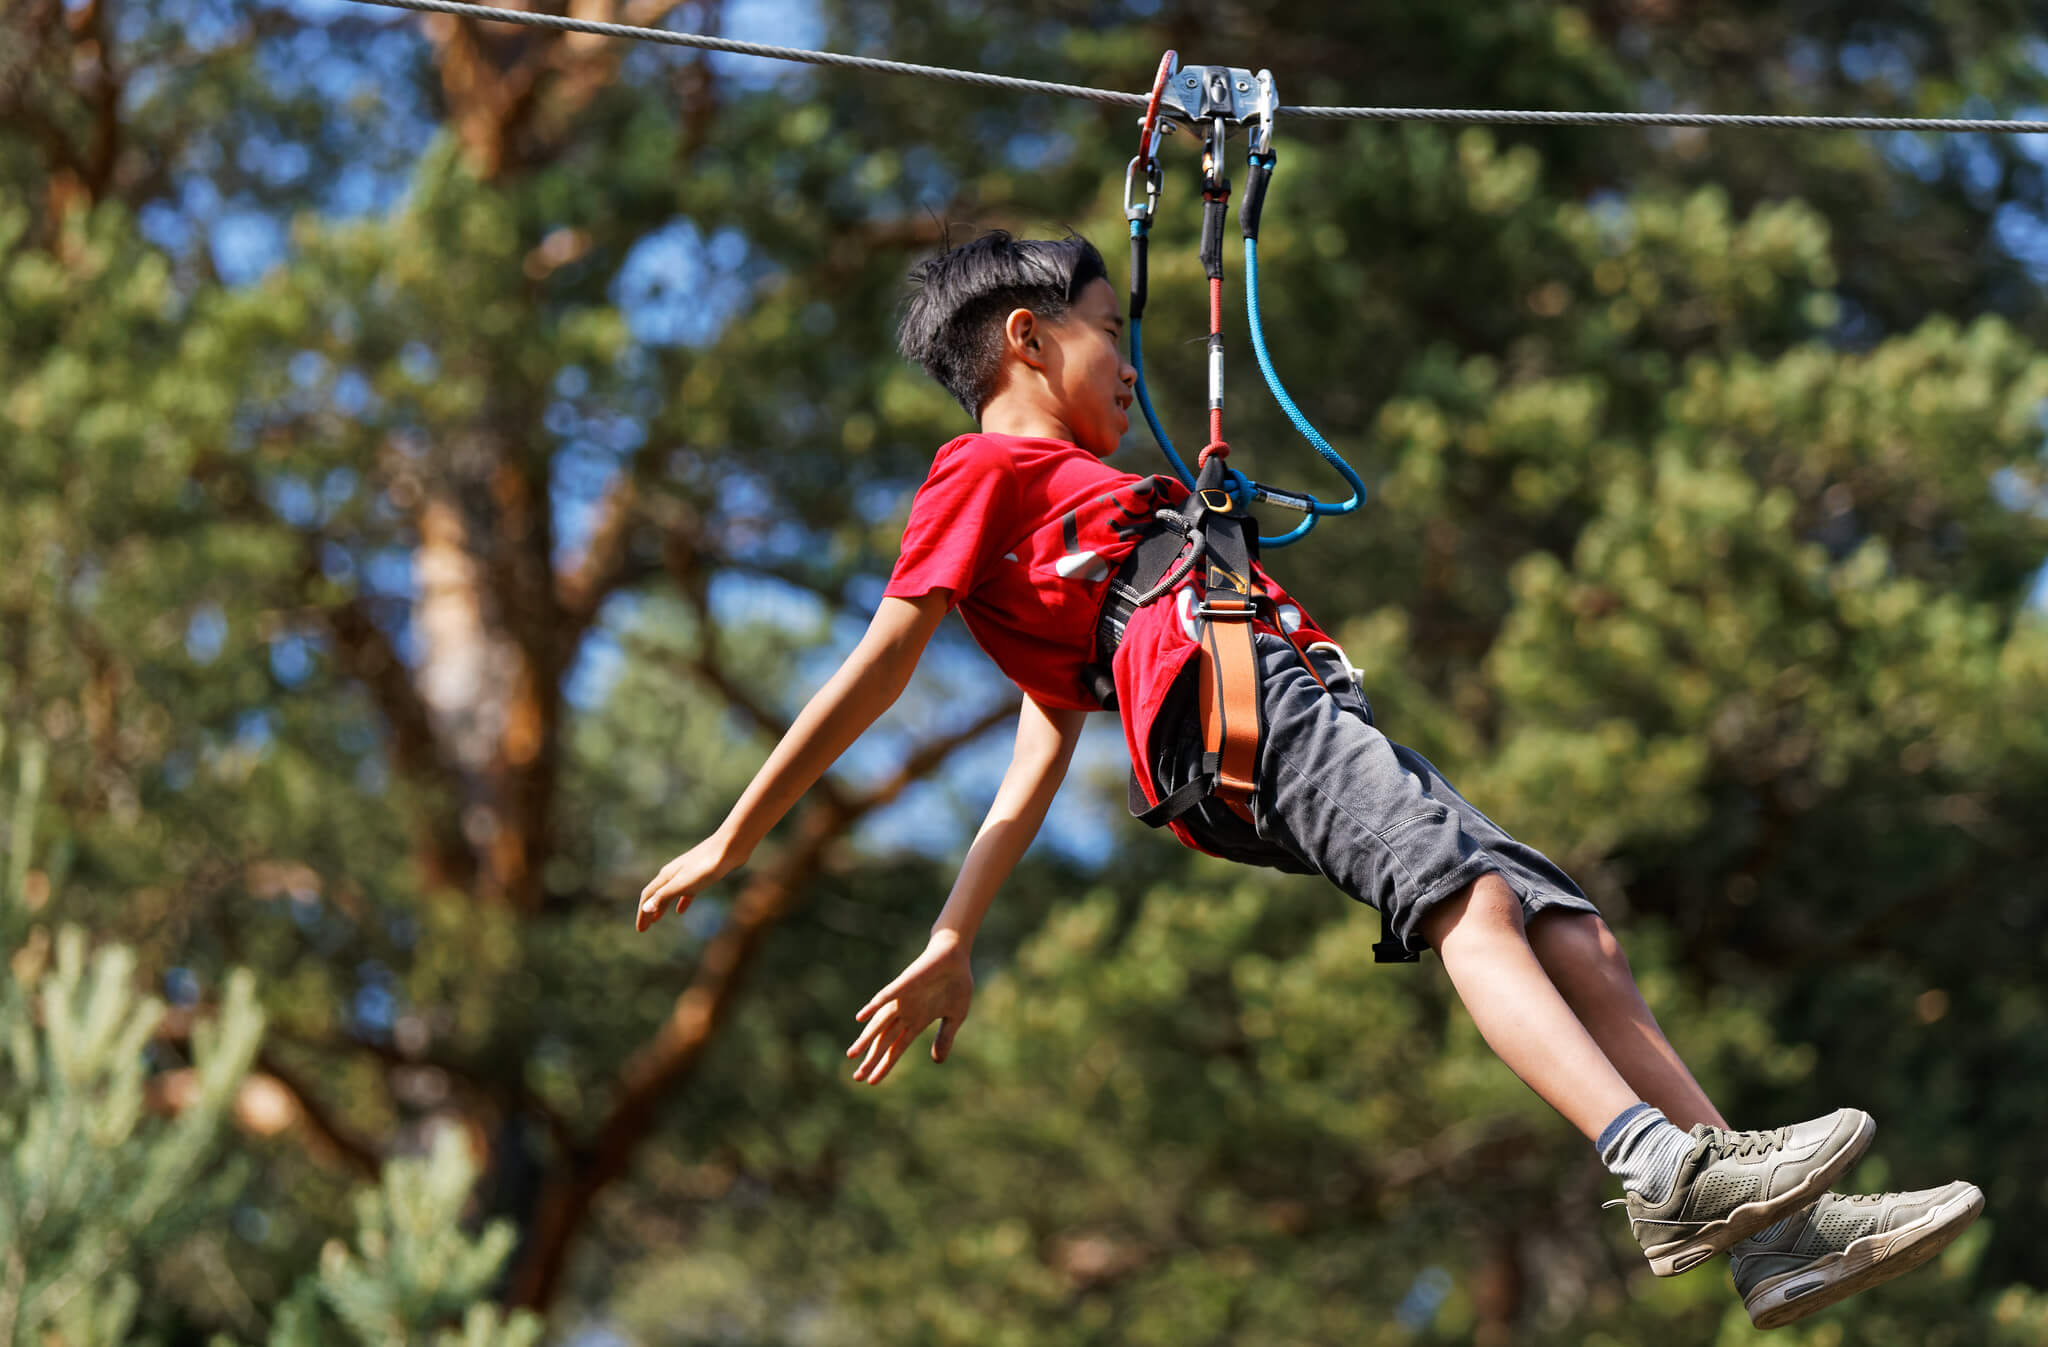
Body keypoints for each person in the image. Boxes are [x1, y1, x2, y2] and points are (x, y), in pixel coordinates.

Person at [635, 230, 1981, 1328]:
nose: (1130, 365)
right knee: (1470, 906)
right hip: (1232, 702)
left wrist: (952, 934)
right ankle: (1658, 1170)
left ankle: (1777, 1241)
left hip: (1280, 698)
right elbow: (880, 665)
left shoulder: (1082, 514)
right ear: (1028, 339)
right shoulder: (984, 470)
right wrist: (738, 833)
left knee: (1575, 931)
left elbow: (1043, 745)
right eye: (1114, 331)